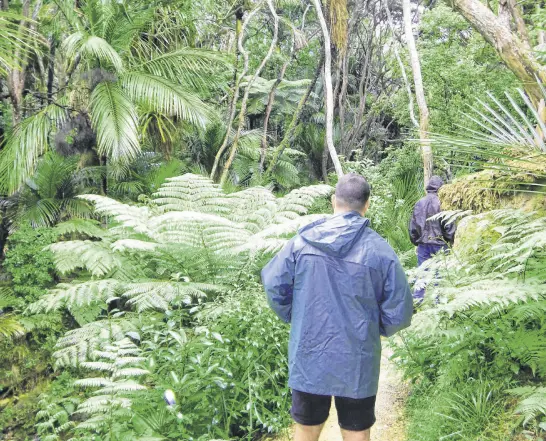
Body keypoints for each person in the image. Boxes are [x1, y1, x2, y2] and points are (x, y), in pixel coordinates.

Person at [261, 173, 413, 441]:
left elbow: (274, 285)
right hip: (358, 359)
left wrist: (297, 318)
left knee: (306, 428)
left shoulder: (301, 243)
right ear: (367, 205)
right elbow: (399, 310)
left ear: (334, 201)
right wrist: (373, 329)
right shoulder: (380, 250)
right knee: (356, 430)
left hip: (310, 352)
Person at [409, 175, 456, 302]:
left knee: (422, 274)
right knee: (439, 275)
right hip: (441, 243)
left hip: (423, 244)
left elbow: (413, 225)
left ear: (428, 187)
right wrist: (450, 240)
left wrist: (416, 242)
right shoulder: (443, 202)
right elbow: (449, 224)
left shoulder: (419, 203)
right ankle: (438, 303)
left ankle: (417, 301)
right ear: (441, 188)